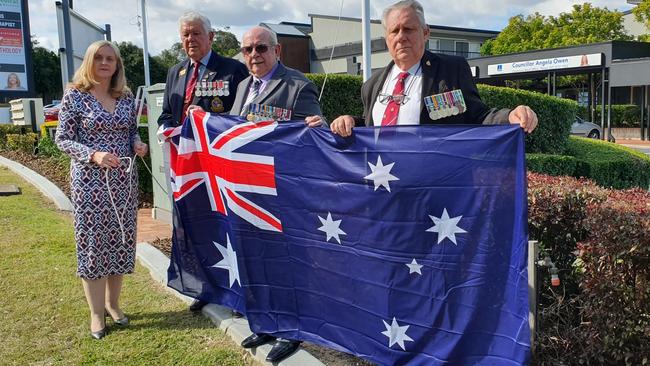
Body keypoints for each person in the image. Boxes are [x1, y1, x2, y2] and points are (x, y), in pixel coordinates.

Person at [229, 26, 322, 363]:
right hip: (250, 190)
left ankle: (292, 330)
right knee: (259, 260)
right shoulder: (242, 86)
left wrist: (318, 126)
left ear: (277, 50)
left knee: (288, 264)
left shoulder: (297, 85)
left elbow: (315, 131)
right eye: (248, 49)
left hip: (284, 192)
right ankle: (267, 322)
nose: (254, 55)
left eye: (261, 48)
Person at [326, 0, 538, 136]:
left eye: (409, 29)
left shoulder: (450, 70)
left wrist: (510, 116)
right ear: (386, 39)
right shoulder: (372, 84)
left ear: (426, 33)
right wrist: (350, 122)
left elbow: (477, 115)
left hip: (433, 184)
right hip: (386, 183)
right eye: (394, 31)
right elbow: (371, 128)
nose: (401, 37)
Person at [55, 40, 148, 340]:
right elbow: (63, 139)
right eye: (99, 58)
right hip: (90, 183)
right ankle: (96, 314)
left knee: (120, 242)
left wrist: (138, 143)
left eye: (111, 59)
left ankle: (114, 304)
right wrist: (93, 155)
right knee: (94, 246)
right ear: (89, 62)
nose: (105, 63)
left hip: (123, 182)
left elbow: (132, 130)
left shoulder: (125, 97)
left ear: (117, 65)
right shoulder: (75, 96)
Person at [157, 11, 248, 313]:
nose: (190, 39)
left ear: (211, 37)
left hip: (220, 168)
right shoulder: (176, 72)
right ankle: (205, 286)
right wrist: (165, 127)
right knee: (196, 227)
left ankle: (236, 292)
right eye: (185, 34)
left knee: (227, 227)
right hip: (188, 169)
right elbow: (167, 114)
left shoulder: (233, 69)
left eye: (196, 33)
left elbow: (241, 118)